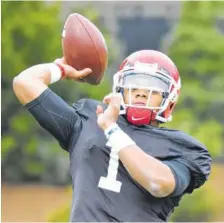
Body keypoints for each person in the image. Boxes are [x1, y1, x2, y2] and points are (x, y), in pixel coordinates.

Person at [13, 50, 211, 222]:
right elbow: (24, 83)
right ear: (120, 89)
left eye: (153, 87)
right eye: (133, 85)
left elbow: (157, 183)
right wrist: (61, 69)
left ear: (169, 99)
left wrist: (111, 129)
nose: (141, 93)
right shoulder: (88, 120)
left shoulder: (183, 148)